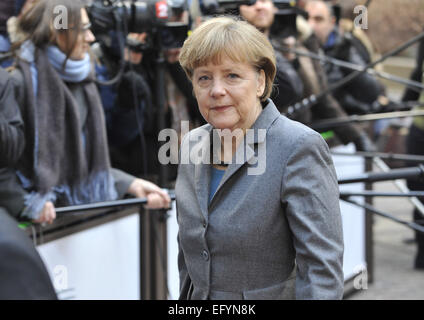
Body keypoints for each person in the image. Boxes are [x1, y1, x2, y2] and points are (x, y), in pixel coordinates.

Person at [176, 16, 344, 300]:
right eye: (204, 77)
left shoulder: (298, 147)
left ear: (260, 81)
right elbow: (190, 261)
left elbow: (321, 274)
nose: (216, 90)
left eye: (232, 75)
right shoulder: (191, 144)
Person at [6, 0, 170, 224]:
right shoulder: (16, 83)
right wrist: (25, 204)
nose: (91, 37)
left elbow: (85, 166)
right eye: (82, 29)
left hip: (75, 221)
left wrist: (131, 184)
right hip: (33, 229)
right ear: (56, 33)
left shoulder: (83, 78)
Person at [239, 0, 374, 151]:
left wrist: (355, 136)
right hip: (253, 144)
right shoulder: (235, 48)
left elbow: (318, 95)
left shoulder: (295, 41)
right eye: (250, 2)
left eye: (264, 0)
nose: (259, 6)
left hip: (295, 141)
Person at [305, 0, 385, 115]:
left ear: (332, 22)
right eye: (307, 18)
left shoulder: (346, 44)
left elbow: (371, 92)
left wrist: (346, 60)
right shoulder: (295, 43)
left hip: (346, 117)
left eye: (318, 19)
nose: (311, 25)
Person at [402, 37, 424, 270]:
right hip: (420, 130)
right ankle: (422, 250)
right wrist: (399, 107)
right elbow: (418, 75)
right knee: (418, 190)